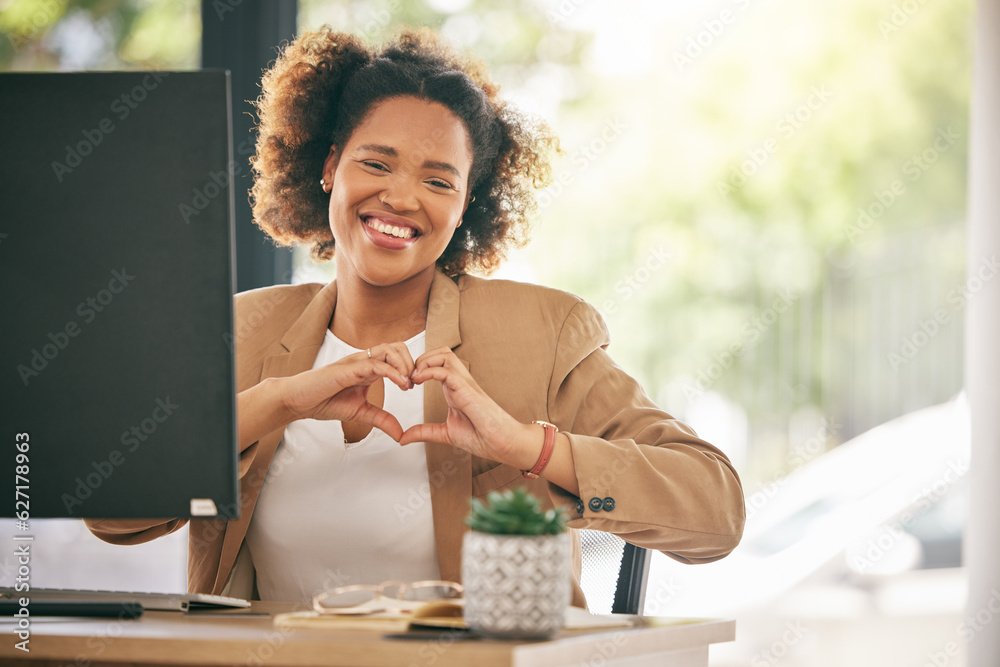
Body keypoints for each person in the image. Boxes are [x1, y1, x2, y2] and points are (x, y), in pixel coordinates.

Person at [85, 27, 745, 608]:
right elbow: (111, 511)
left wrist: (528, 445)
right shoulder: (244, 330)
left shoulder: (543, 332)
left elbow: (717, 508)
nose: (400, 197)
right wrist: (277, 401)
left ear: (464, 207)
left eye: (438, 180)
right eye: (376, 163)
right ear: (327, 168)